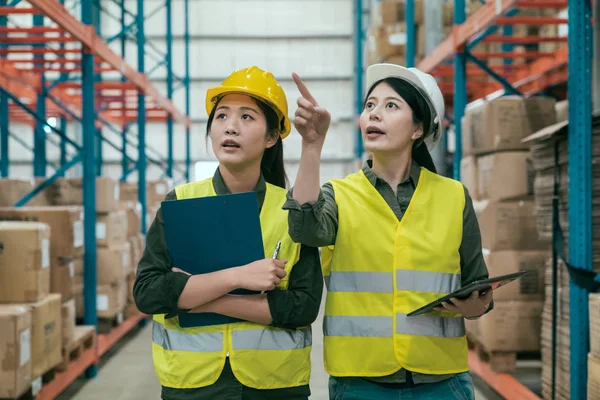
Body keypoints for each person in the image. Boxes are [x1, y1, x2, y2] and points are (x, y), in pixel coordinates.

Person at [284, 63, 494, 400]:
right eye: (370, 106)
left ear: (417, 129)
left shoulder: (453, 196)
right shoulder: (339, 195)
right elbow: (304, 228)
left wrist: (476, 307)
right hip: (360, 382)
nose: (374, 115)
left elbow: (477, 283)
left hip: (441, 381)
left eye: (390, 105)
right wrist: (311, 146)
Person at [133, 66, 323, 400]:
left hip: (274, 386)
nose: (230, 127)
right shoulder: (181, 203)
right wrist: (240, 276)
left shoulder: (291, 210)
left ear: (271, 136)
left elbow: (303, 306)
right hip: (191, 385)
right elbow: (148, 293)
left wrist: (200, 296)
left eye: (247, 117)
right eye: (221, 116)